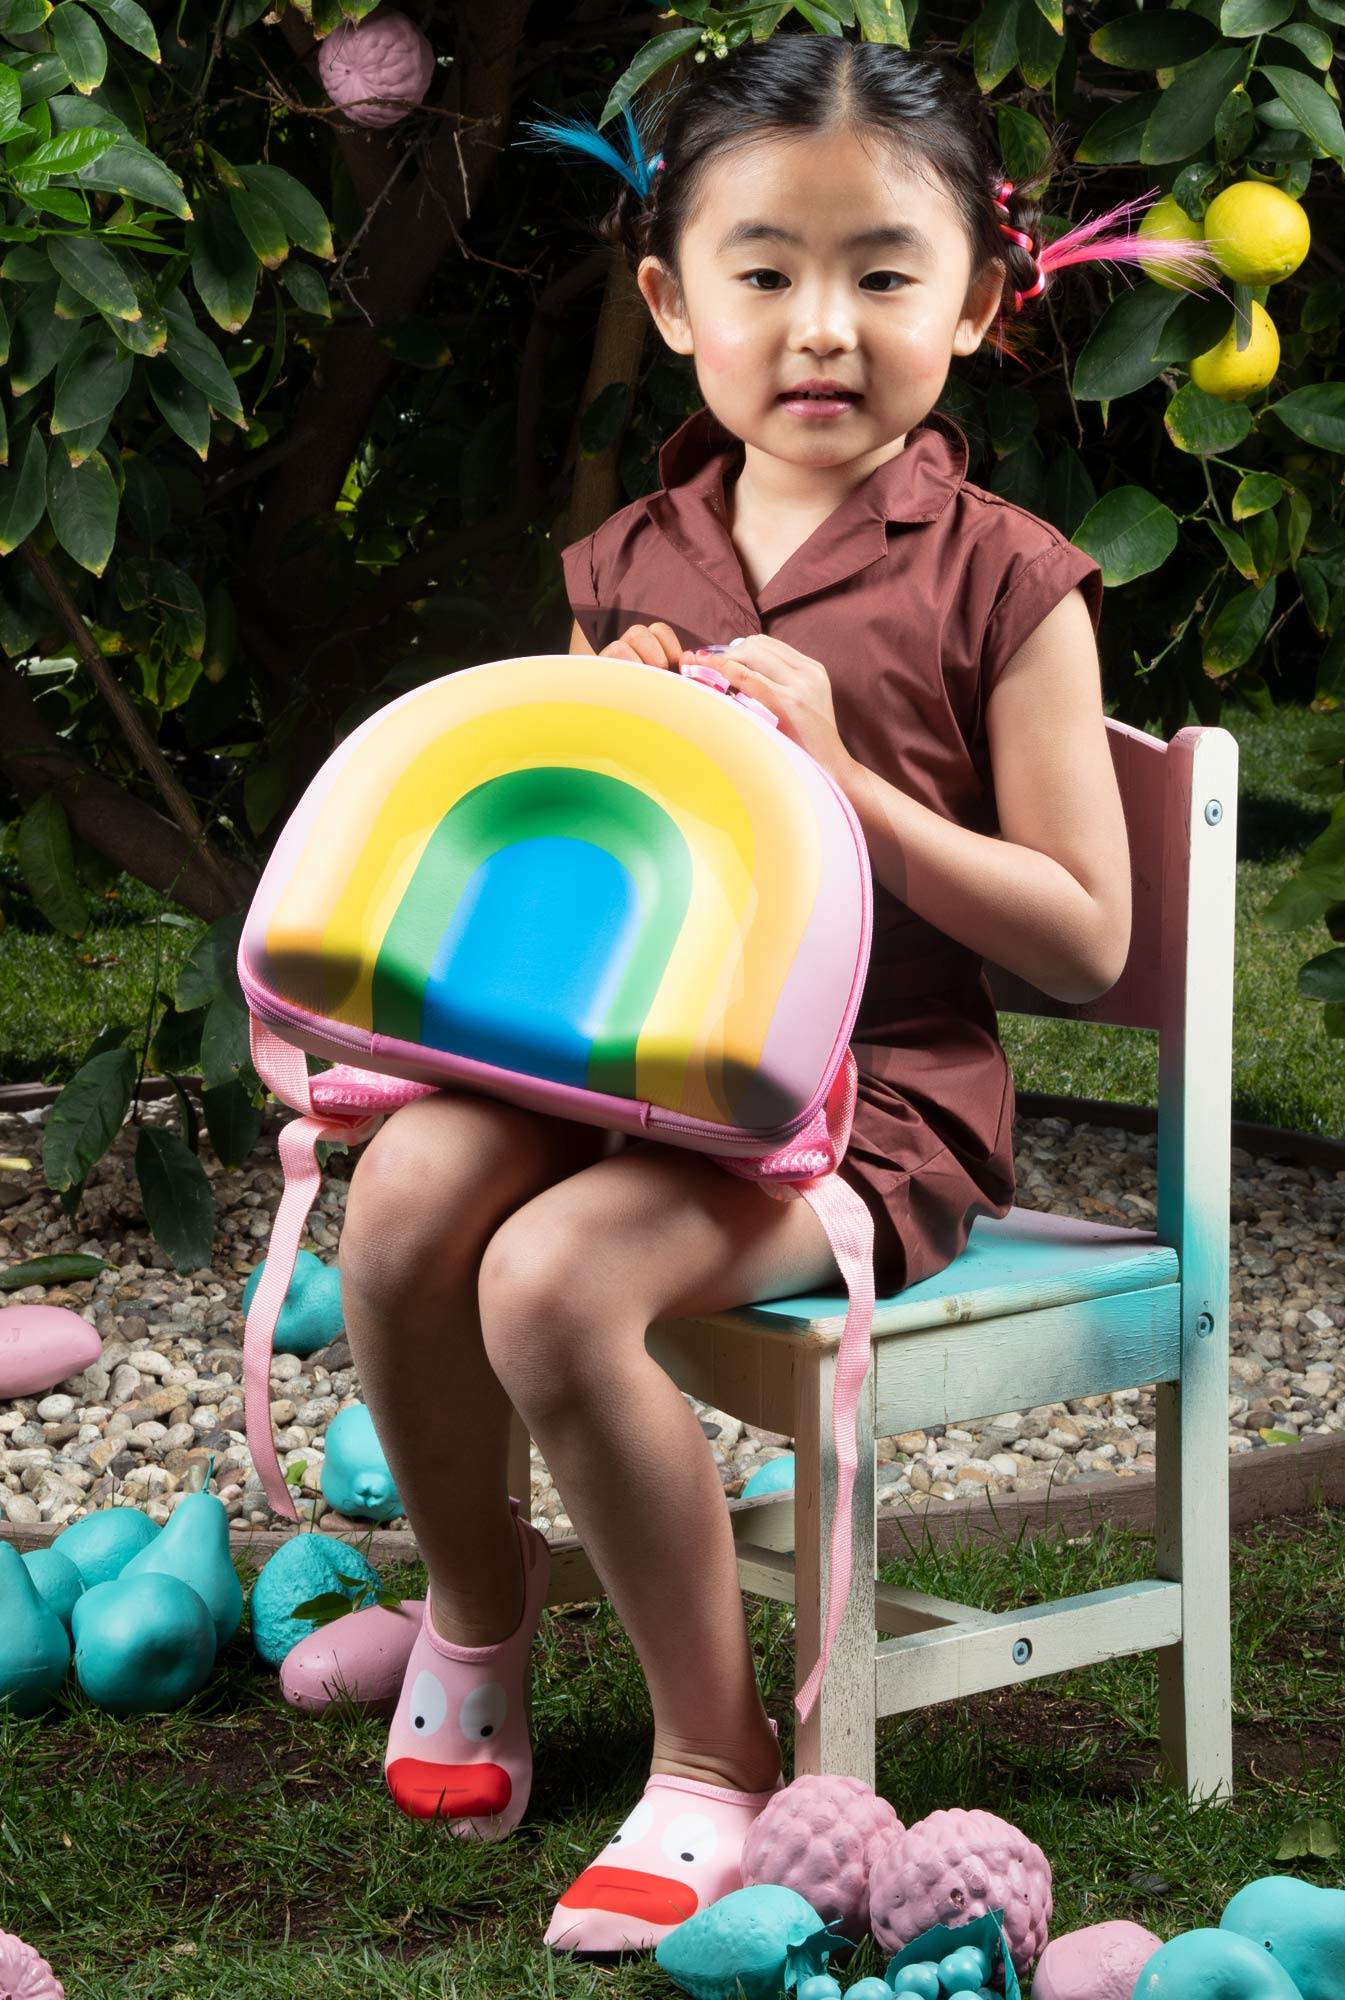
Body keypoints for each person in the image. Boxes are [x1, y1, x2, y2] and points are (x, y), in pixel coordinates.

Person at [336, 32, 1217, 1961]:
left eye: (885, 274)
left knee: (551, 1280)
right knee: (401, 1203)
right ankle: (481, 1616)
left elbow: (1075, 934)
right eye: (764, 272)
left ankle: (716, 1752)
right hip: (630, 1065)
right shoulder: (627, 562)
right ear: (669, 303)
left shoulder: (1007, 580)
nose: (824, 328)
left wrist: (847, 782)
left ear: (980, 305)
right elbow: (567, 893)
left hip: (869, 1096)